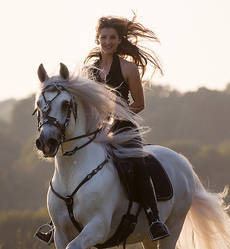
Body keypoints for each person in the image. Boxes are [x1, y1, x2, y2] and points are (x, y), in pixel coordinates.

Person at [83, 15, 169, 241]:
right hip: (96, 130)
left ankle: (154, 219)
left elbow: (140, 104)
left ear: (119, 40)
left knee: (137, 164)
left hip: (123, 128)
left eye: (112, 38)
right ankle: (58, 221)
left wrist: (117, 114)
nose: (108, 42)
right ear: (97, 39)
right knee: (72, 160)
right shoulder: (88, 71)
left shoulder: (129, 68)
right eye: (104, 38)